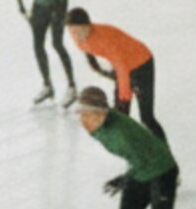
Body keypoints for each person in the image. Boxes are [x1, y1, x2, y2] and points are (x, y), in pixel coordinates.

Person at [0, 0, 78, 108]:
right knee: (37, 44)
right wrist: (21, 7)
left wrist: (58, 10)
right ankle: (47, 86)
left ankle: (72, 87)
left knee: (57, 43)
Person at [67, 9, 164, 140]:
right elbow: (91, 54)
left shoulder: (105, 40)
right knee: (120, 116)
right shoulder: (78, 38)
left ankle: (164, 152)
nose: (77, 36)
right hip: (122, 65)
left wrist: (124, 97)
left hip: (142, 63)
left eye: (80, 31)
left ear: (89, 26)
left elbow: (121, 67)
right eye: (73, 32)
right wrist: (98, 69)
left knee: (146, 118)